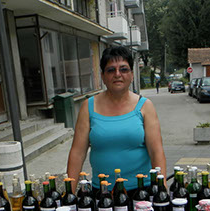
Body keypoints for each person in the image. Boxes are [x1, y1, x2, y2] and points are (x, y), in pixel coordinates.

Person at [67, 45, 166, 193]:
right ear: (103, 76)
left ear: (132, 75)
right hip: (102, 192)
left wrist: (162, 190)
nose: (117, 74)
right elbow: (77, 153)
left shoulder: (145, 106)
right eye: (111, 70)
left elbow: (156, 152)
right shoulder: (88, 107)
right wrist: (69, 193)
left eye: (124, 69)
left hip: (141, 192)